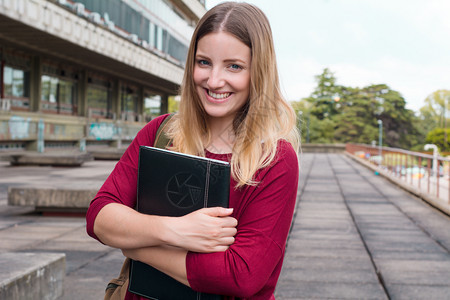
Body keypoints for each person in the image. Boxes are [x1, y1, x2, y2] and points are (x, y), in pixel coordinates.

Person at [86, 2, 300, 299]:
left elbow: (241, 275)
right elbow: (100, 217)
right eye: (203, 62)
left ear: (258, 72)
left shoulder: (275, 159)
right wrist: (176, 230)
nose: (213, 81)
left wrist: (137, 245)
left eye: (234, 66)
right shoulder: (160, 132)